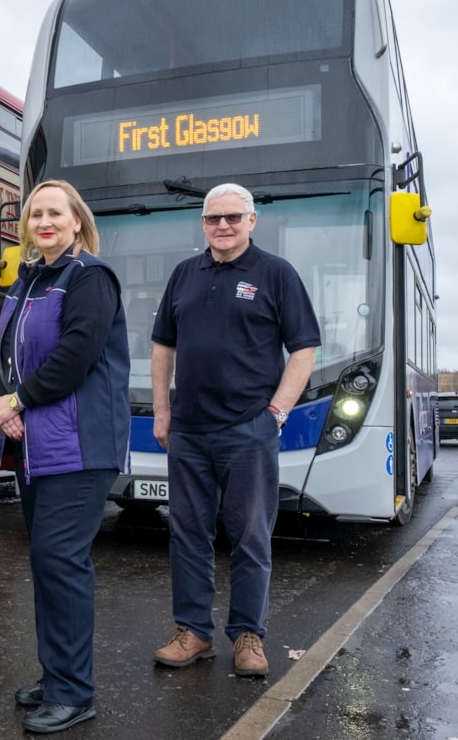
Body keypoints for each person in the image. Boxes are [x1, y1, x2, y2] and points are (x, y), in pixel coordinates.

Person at [149, 182, 320, 678]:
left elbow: (304, 348)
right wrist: (163, 411)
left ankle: (248, 636)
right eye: (212, 218)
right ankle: (194, 632)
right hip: (189, 430)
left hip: (249, 428)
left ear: (252, 221)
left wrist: (277, 412)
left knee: (249, 535)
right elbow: (163, 348)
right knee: (187, 534)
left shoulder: (276, 274)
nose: (222, 226)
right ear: (202, 224)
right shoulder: (184, 274)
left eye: (232, 217)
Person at [0, 180, 130, 734]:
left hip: (79, 444)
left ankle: (74, 692)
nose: (44, 221)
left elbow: (78, 353)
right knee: (47, 564)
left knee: (61, 562)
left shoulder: (90, 277)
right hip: (34, 443)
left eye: (55, 213)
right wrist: (11, 404)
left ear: (77, 222)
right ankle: (56, 676)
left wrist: (20, 399)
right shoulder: (28, 282)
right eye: (36, 214)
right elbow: (7, 355)